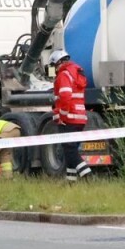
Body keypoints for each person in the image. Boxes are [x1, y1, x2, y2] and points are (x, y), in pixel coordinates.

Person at [50, 49, 92, 182]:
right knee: (70, 149)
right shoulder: (76, 73)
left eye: (54, 66)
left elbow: (65, 96)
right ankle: (70, 180)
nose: (55, 69)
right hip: (80, 117)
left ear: (58, 63)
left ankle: (87, 174)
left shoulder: (64, 75)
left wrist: (62, 116)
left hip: (69, 118)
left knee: (69, 148)